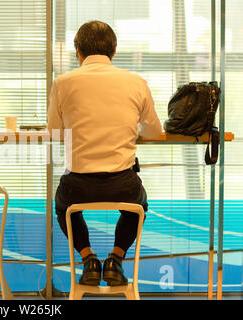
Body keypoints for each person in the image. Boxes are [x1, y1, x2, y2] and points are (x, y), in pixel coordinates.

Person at [47, 20, 162, 286]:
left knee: (64, 207)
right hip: (123, 184)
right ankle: (115, 260)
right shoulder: (136, 82)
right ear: (114, 50)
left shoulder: (62, 83)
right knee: (138, 207)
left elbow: (54, 132)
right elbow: (154, 132)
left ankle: (89, 260)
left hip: (78, 185)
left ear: (78, 51)